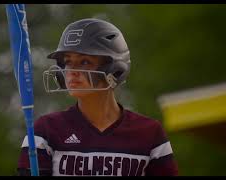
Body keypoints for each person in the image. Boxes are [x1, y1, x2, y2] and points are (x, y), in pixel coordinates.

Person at [17, 18, 178, 176]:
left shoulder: (149, 133)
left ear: (114, 69)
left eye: (84, 62)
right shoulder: (45, 130)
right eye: (67, 61)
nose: (71, 71)